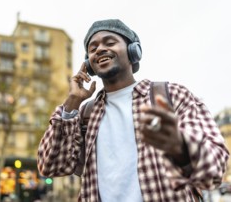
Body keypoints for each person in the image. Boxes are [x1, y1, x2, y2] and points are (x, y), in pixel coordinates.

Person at [37, 19, 229, 201]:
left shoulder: (172, 95)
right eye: (93, 48)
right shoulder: (86, 113)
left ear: (133, 51)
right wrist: (72, 103)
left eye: (110, 42)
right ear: (89, 64)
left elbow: (216, 169)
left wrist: (180, 146)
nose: (100, 49)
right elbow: (50, 165)